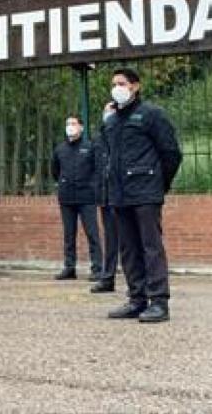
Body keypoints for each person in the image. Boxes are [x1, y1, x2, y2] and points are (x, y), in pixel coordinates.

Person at [102, 68, 182, 323]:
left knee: (151, 247)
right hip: (119, 194)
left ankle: (159, 302)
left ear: (136, 86)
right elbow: (108, 157)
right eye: (114, 84)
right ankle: (137, 299)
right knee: (128, 249)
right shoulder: (111, 121)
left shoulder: (151, 114)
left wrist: (159, 184)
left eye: (122, 83)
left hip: (146, 191)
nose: (117, 88)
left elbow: (171, 153)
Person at [51, 115, 103, 282]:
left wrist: (93, 186)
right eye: (67, 123)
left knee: (92, 233)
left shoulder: (90, 147)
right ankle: (69, 267)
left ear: (81, 127)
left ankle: (97, 268)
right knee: (69, 234)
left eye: (73, 123)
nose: (70, 126)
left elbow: (97, 169)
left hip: (87, 197)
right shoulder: (60, 149)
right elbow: (55, 171)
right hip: (66, 198)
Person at [91, 102, 119, 294]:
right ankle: (107, 277)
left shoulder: (125, 134)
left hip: (126, 194)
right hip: (105, 196)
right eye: (106, 110)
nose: (108, 114)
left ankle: (142, 283)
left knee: (135, 239)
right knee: (110, 239)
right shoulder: (98, 140)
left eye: (112, 110)